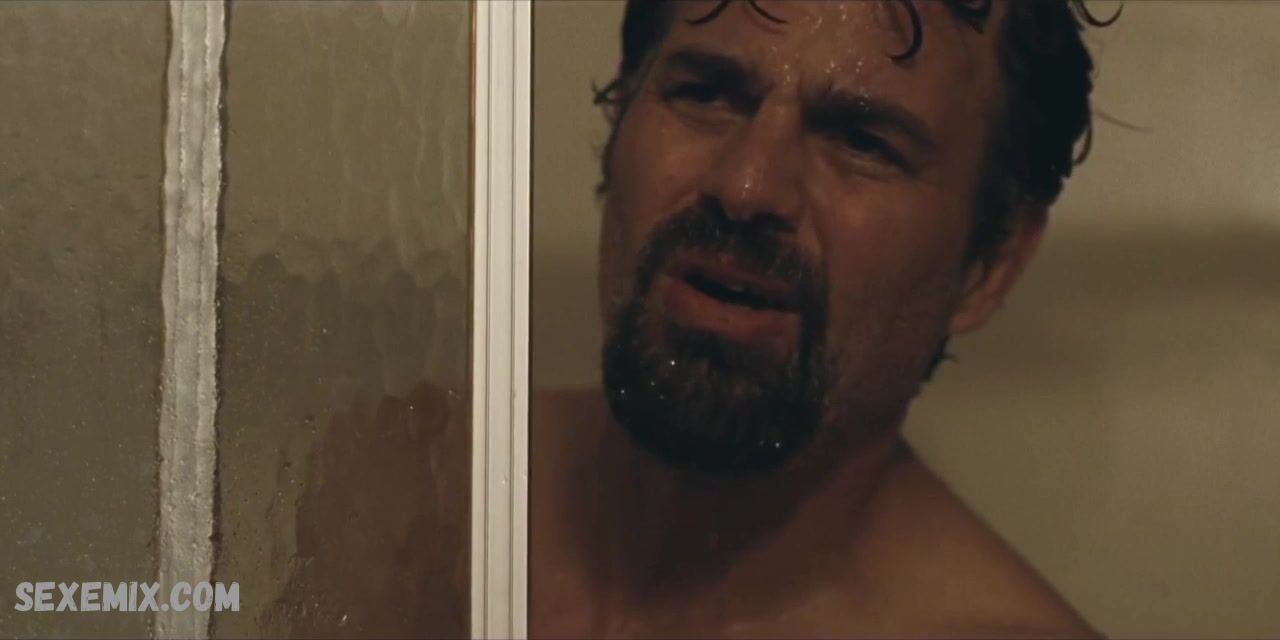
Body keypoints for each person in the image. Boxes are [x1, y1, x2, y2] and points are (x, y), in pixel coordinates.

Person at [531, 0, 1115, 637]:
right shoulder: (446, 478)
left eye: (863, 142)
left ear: (988, 264)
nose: (746, 187)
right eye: (707, 94)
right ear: (622, 112)